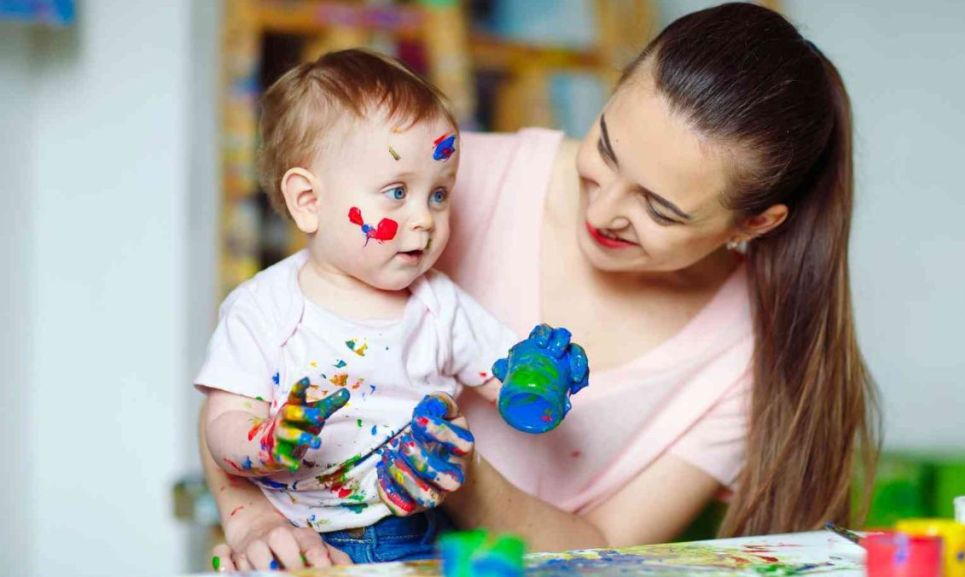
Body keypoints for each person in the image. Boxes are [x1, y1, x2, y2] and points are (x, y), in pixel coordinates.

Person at [202, 3, 878, 571]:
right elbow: (260, 370)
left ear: (755, 222)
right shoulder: (439, 184)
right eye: (607, 147)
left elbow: (610, 552)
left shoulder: (745, 358)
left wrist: (461, 472)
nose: (604, 209)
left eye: (660, 208)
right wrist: (252, 518)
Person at [196, 48, 588, 567]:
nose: (424, 220)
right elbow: (222, 424)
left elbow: (503, 377)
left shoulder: (438, 303)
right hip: (301, 540)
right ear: (309, 202)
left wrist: (540, 374)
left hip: (420, 529)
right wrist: (268, 441)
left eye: (439, 195)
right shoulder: (263, 308)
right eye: (397, 191)